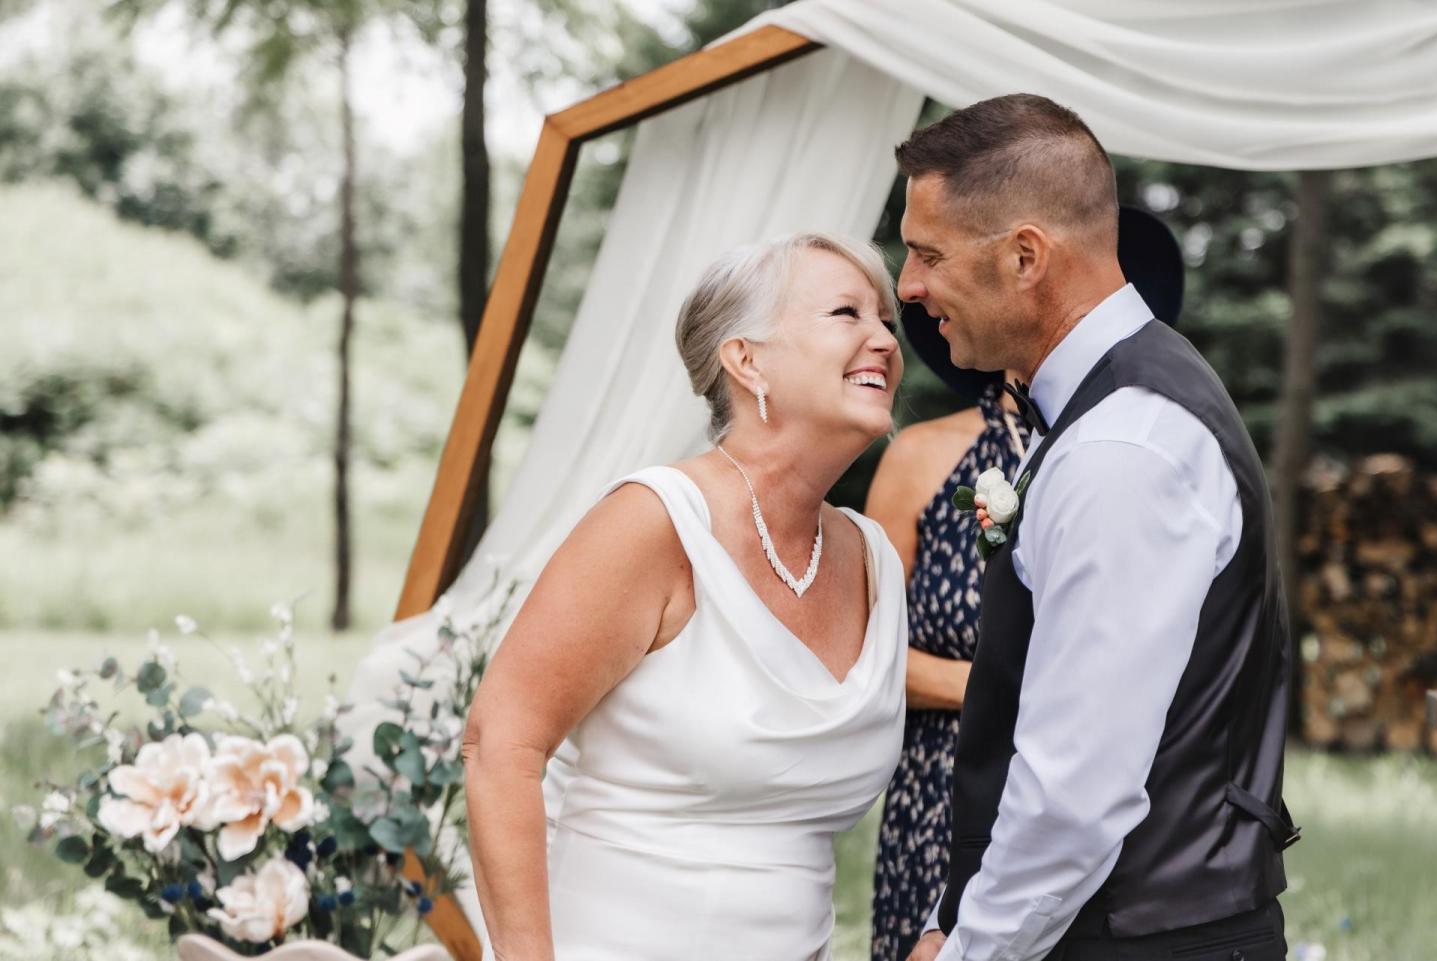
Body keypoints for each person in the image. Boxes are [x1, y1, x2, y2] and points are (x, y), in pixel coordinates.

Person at [895, 94, 1297, 961]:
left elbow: (1074, 790)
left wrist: (971, 950)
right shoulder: (1110, 410)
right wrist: (950, 911)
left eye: (927, 252)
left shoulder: (1123, 444)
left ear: (1026, 256)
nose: (908, 286)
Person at [462, 232, 910, 961]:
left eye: (885, 321)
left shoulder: (874, 560)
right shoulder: (655, 521)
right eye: (846, 313)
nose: (883, 341)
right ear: (746, 359)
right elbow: (499, 743)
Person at [867, 206, 1185, 961]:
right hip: (939, 797)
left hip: (1103, 802)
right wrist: (999, 686)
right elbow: (868, 655)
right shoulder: (919, 456)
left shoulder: (1130, 449)